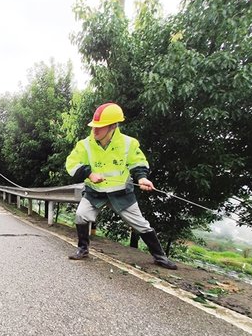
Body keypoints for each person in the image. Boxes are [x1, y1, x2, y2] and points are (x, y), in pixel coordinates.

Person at [65, 102, 177, 270]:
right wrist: (89, 173)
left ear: (113, 126)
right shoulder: (85, 144)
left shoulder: (128, 143)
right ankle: (83, 249)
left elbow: (138, 163)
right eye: (94, 126)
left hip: (121, 193)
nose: (95, 130)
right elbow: (71, 164)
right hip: (95, 192)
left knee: (140, 224)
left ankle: (160, 257)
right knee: (81, 215)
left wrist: (142, 179)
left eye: (100, 127)